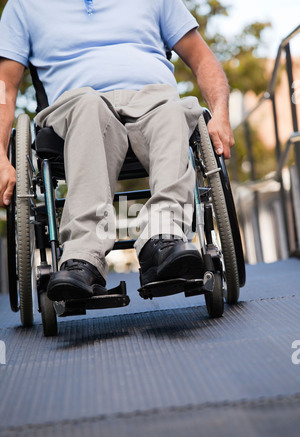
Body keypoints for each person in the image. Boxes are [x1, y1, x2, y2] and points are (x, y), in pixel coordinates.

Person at [0, 0, 234, 301]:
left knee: (173, 111)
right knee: (88, 106)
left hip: (154, 99)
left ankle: (163, 239)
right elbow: (5, 86)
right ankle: (83, 255)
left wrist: (221, 115)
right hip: (77, 106)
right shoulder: (24, 5)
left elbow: (202, 59)